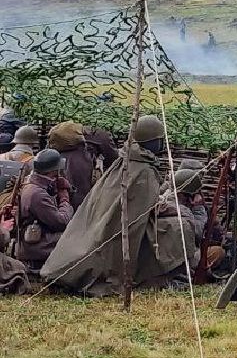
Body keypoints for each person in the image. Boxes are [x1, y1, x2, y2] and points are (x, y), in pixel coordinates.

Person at [40, 114, 188, 296]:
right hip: (120, 232)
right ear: (151, 142)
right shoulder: (143, 170)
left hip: (109, 226)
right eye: (159, 140)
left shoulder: (127, 160)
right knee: (176, 229)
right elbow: (140, 215)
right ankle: (159, 277)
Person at [14, 148, 74, 270]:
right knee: (77, 239)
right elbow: (61, 222)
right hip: (37, 248)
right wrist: (64, 197)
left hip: (33, 245)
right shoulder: (37, 194)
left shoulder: (32, 185)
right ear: (54, 171)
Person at [157, 167, 223, 271]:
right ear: (187, 195)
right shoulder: (179, 209)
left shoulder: (166, 200)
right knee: (218, 252)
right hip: (179, 260)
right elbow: (196, 233)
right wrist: (199, 209)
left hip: (168, 255)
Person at [45, 121, 115, 208]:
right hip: (82, 169)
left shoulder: (61, 134)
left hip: (60, 167)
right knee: (82, 201)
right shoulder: (101, 134)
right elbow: (113, 160)